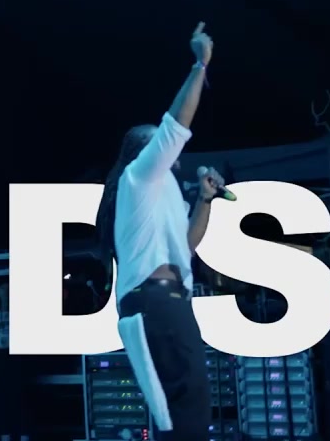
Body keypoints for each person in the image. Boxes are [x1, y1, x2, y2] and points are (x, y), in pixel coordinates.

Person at [94, 22, 219, 441]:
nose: (169, 155)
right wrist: (200, 65)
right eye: (156, 147)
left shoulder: (160, 194)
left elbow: (186, 246)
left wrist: (204, 200)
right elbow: (175, 127)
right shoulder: (139, 177)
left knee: (181, 409)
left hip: (162, 300)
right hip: (156, 301)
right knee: (189, 405)